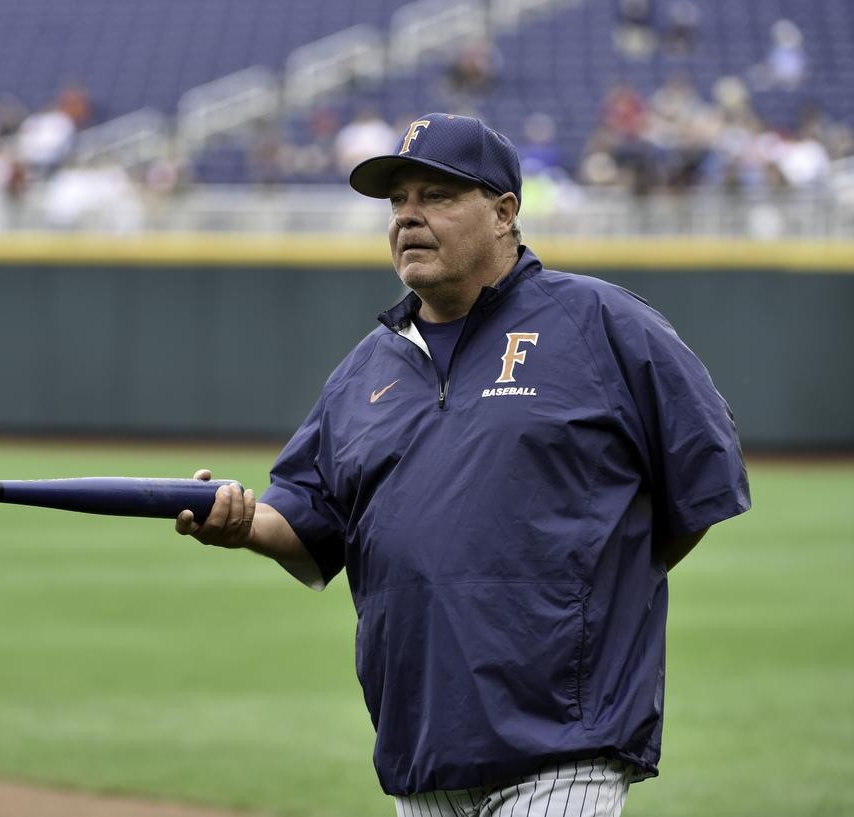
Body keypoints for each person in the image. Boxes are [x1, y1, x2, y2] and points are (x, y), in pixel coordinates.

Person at [175, 113, 750, 816]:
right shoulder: (366, 370)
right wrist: (238, 520)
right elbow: (307, 520)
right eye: (397, 201)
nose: (409, 218)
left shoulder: (599, 322)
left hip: (564, 743)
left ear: (505, 211)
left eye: (438, 196)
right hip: (422, 750)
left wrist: (599, 584)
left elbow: (702, 476)